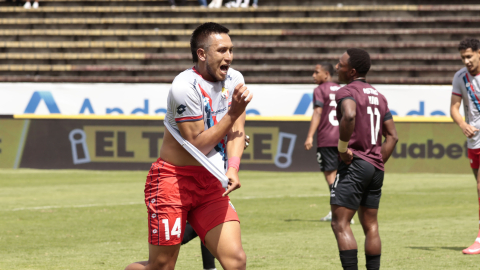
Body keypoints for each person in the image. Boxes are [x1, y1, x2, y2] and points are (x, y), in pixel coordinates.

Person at [124, 22, 252, 270]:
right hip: (173, 182)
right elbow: (197, 145)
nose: (229, 57)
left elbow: (238, 130)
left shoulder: (235, 78)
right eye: (222, 50)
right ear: (202, 54)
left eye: (231, 50)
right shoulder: (184, 87)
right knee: (161, 266)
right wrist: (233, 113)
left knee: (236, 261)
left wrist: (233, 168)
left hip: (210, 183)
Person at [331, 48, 398, 270]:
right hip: (376, 168)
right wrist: (376, 160)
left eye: (340, 64)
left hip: (355, 165)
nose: (336, 67)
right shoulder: (379, 96)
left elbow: (349, 115)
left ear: (351, 71)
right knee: (371, 226)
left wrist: (342, 148)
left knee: (340, 223)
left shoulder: (345, 92)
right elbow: (393, 137)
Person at [450, 38, 480, 255]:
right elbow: (454, 107)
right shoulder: (460, 77)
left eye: (470, 56)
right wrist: (462, 124)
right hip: (474, 140)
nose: (467, 61)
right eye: (463, 58)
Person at [304, 63, 341, 222]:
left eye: (316, 72)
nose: (313, 75)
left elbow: (318, 112)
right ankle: (346, 212)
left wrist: (310, 136)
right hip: (343, 139)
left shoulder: (320, 90)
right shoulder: (342, 89)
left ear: (326, 74)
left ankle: (337, 212)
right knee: (342, 176)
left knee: (330, 177)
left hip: (327, 139)